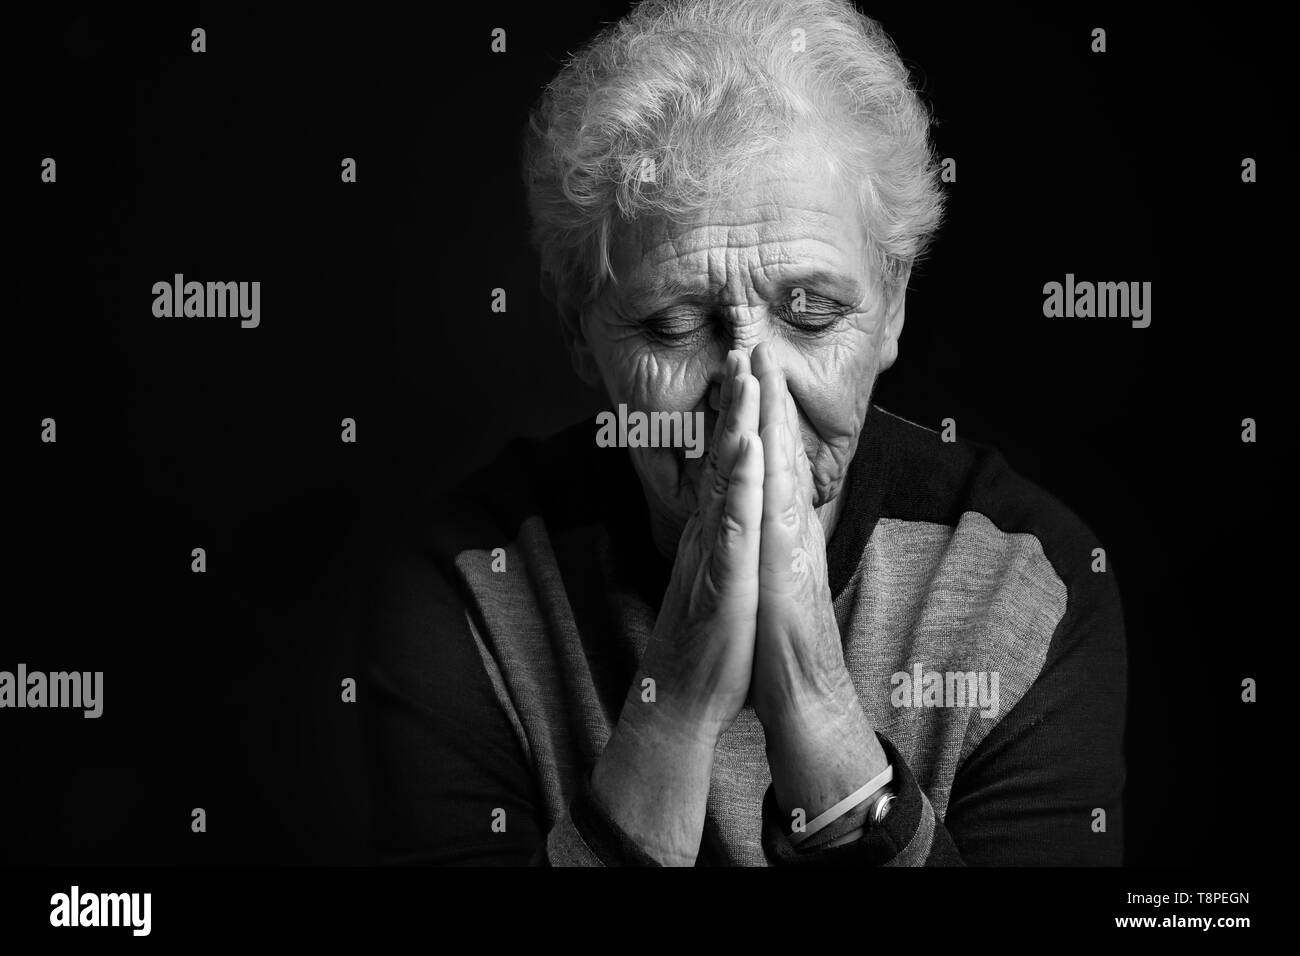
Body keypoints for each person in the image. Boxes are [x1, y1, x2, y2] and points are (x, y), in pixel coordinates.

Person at [363, 0, 1125, 866]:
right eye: (674, 326)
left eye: (813, 312)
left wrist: (817, 708)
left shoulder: (1019, 585)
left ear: (894, 308)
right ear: (582, 336)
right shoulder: (471, 588)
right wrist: (677, 704)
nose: (753, 398)